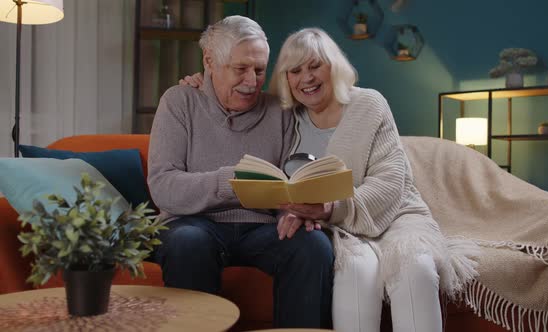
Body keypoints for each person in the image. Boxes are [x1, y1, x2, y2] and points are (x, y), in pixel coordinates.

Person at [182, 27, 479, 332]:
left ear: (334, 66)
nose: (306, 78)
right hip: (338, 230)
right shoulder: (289, 119)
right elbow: (286, 186)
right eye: (295, 70)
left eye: (315, 66)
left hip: (393, 218)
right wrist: (202, 82)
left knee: (415, 269)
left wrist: (330, 208)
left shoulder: (369, 104)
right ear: (286, 79)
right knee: (354, 271)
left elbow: (391, 182)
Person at [148, 17, 334, 329]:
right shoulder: (179, 101)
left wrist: (293, 211)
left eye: (260, 70)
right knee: (187, 242)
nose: (252, 81)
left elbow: (291, 182)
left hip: (262, 227)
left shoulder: (281, 110)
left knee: (313, 246)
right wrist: (228, 182)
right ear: (210, 61)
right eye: (241, 69)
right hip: (193, 224)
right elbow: (163, 186)